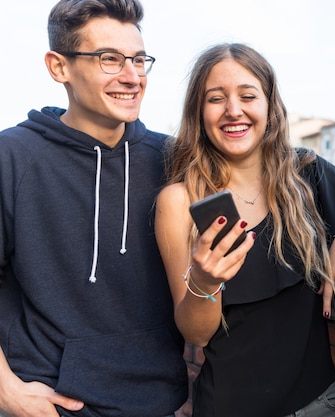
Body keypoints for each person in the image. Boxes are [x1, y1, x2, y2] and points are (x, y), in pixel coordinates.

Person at [154, 42, 335, 417]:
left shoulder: (304, 172)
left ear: (269, 105)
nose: (234, 110)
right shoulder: (180, 201)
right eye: (216, 99)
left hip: (319, 405)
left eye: (248, 95)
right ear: (199, 112)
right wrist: (204, 279)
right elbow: (195, 334)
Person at [0, 1, 188, 416]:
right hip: (48, 401)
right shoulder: (11, 155)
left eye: (139, 60)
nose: (132, 76)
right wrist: (7, 393)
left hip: (161, 402)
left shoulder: (173, 159)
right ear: (58, 67)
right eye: (110, 59)